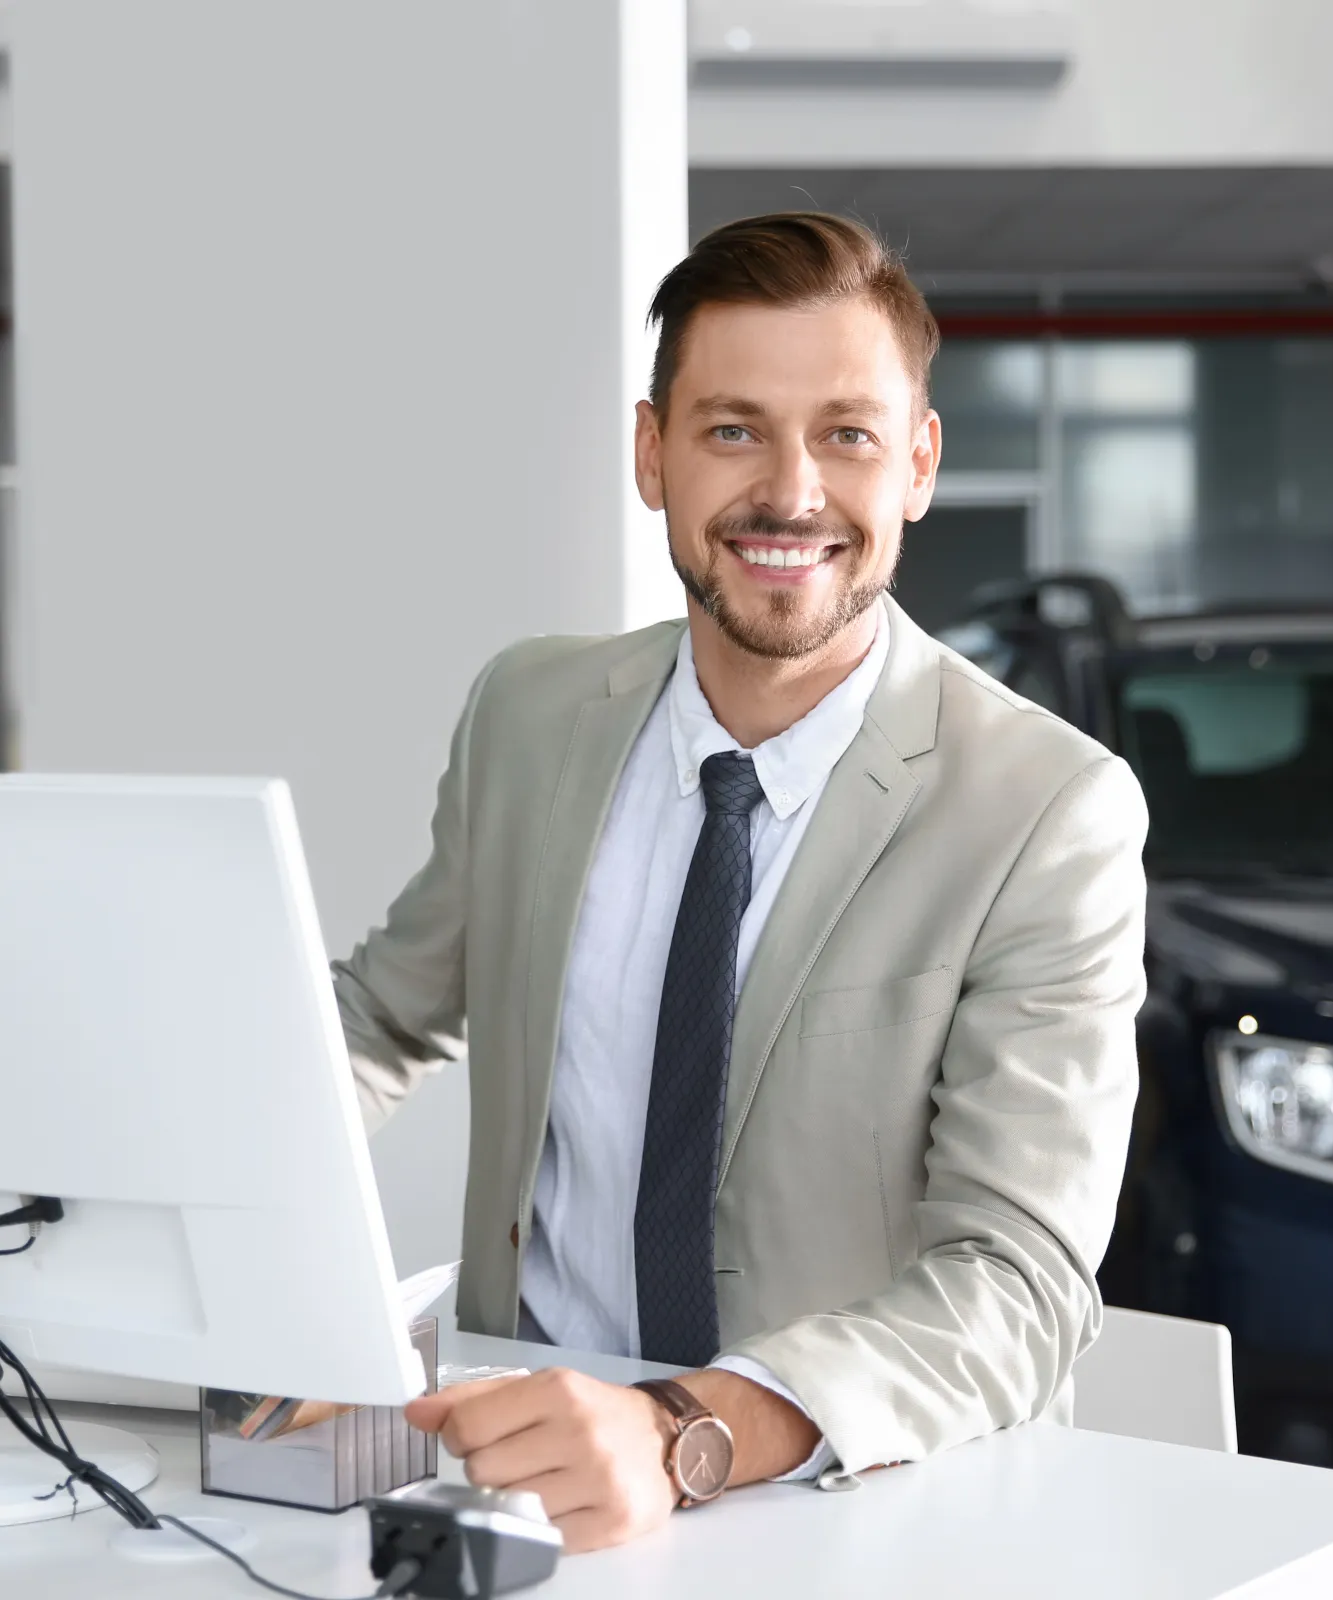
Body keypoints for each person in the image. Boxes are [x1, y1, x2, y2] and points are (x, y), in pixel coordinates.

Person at [336, 212, 1148, 1553]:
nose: (790, 492)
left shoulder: (1045, 809)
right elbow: (384, 1014)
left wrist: (686, 1436)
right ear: (652, 455)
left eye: (846, 433)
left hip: (854, 1507)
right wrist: (213, 1219)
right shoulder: (530, 712)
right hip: (528, 1491)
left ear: (919, 464)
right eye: (732, 430)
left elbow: (1015, 1280)